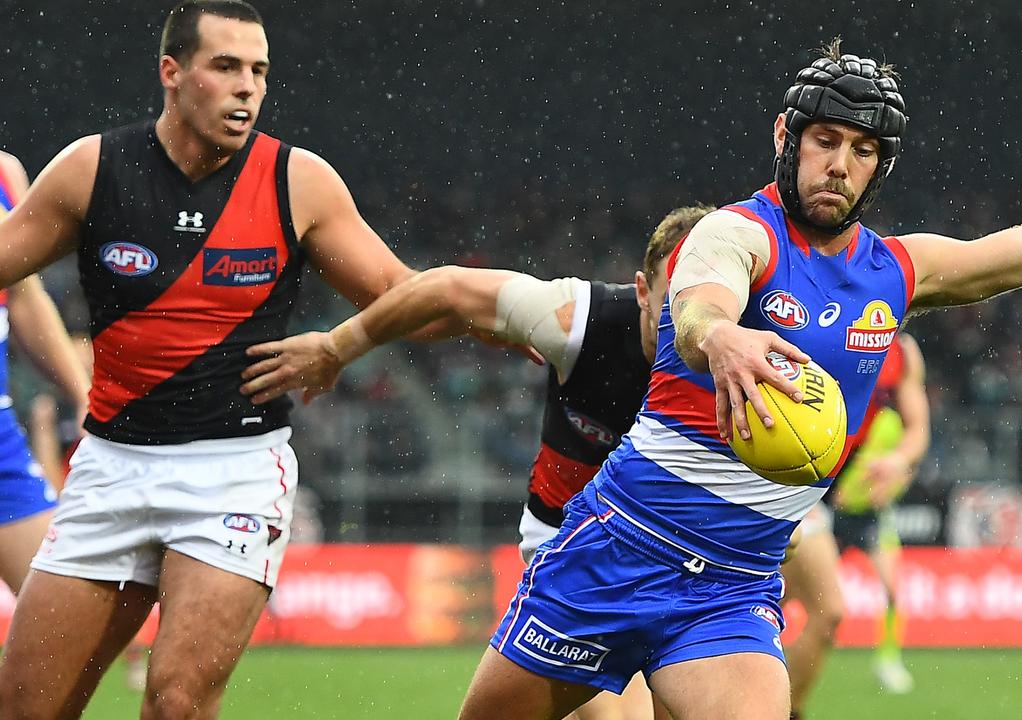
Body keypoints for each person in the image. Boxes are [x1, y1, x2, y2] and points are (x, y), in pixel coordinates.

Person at [445, 39, 1022, 720]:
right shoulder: (738, 234)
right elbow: (701, 308)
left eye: (864, 149)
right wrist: (721, 338)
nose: (841, 164)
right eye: (827, 140)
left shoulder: (898, 272)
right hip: (616, 554)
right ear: (786, 137)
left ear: (880, 168)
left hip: (732, 588)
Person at [0, 2, 421, 716]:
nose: (247, 87)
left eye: (258, 70)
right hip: (109, 467)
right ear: (172, 73)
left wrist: (342, 344)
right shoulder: (91, 168)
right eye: (226, 67)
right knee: (25, 705)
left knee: (177, 703)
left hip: (232, 472)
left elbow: (403, 293)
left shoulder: (299, 179)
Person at [239, 205, 716, 720]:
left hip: (689, 552)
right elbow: (446, 288)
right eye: (675, 296)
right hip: (572, 546)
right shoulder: (578, 321)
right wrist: (336, 347)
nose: (690, 319)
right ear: (644, 291)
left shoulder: (752, 354)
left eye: (706, 298)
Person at [782, 332, 928, 717]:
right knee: (766, 603)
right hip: (792, 482)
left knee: (828, 610)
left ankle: (786, 709)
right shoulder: (816, 324)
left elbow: (917, 430)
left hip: (844, 495)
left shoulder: (904, 352)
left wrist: (899, 461)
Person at [0, 151, 91, 596]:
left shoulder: (5, 172)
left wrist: (83, 394)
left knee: (56, 619)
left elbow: (23, 295)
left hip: (2, 443)